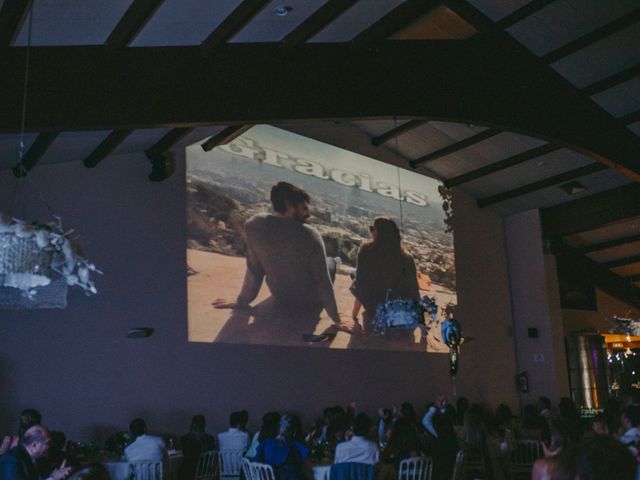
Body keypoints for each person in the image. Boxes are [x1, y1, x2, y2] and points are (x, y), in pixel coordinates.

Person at [212, 182, 345, 329]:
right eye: (303, 208)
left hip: (280, 295)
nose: (308, 214)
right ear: (288, 205)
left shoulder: (254, 225)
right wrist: (337, 319)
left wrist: (241, 301)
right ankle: (334, 261)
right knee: (331, 261)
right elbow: (323, 282)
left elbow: (254, 269)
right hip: (309, 301)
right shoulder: (310, 235)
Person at [350, 217, 420, 333]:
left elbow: (361, 285)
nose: (371, 231)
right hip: (402, 323)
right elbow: (414, 292)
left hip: (376, 317)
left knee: (355, 277)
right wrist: (423, 329)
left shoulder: (366, 251)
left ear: (379, 233)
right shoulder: (407, 258)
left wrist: (353, 317)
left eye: (372, 229)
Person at [0, 425, 71, 480]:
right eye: (48, 443)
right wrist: (52, 478)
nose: (50, 446)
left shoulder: (31, 458)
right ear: (34, 445)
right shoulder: (11, 460)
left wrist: (53, 476)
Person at [255, 414, 309, 480]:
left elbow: (256, 462)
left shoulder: (265, 443)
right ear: (294, 433)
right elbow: (302, 467)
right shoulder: (293, 448)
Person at [179, 415, 216, 480]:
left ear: (193, 424)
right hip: (207, 470)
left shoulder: (185, 439)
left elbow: (185, 454)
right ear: (204, 425)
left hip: (190, 471)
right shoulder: (210, 438)